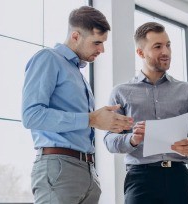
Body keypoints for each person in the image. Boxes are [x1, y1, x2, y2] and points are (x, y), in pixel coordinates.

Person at [22, 6, 133, 204]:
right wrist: (91, 119)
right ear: (75, 36)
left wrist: (107, 122)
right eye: (97, 42)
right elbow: (32, 115)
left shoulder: (77, 74)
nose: (102, 49)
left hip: (87, 171)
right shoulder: (48, 59)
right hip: (59, 169)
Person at [103, 22, 188, 204]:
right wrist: (132, 140)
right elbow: (109, 140)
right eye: (157, 46)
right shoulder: (120, 92)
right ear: (140, 53)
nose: (166, 52)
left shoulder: (186, 90)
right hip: (140, 178)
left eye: (168, 45)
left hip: (178, 177)